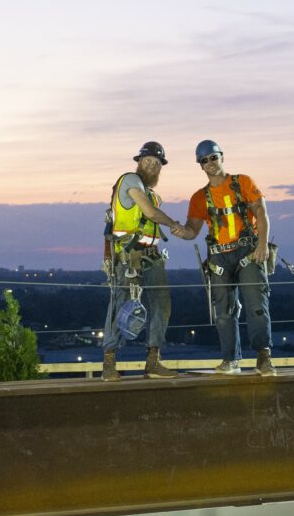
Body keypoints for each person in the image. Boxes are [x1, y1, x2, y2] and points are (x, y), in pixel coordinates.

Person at [180, 140, 276, 376]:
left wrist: (262, 244)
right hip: (219, 258)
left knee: (257, 305)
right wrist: (178, 229)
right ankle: (230, 360)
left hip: (248, 252)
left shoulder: (243, 182)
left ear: (222, 157)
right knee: (223, 311)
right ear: (200, 166)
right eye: (204, 161)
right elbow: (192, 230)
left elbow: (261, 213)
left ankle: (263, 358)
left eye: (213, 158)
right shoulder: (199, 198)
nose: (210, 163)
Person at [101, 141, 186, 381]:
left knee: (161, 305)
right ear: (138, 162)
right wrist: (175, 225)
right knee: (122, 305)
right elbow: (149, 213)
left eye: (157, 163)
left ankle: (153, 361)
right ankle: (109, 362)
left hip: (152, 257)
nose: (152, 166)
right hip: (129, 256)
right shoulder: (130, 181)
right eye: (147, 161)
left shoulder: (152, 193)